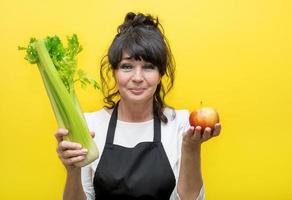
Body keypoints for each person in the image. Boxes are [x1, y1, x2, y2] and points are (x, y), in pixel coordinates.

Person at [55, 12, 221, 200]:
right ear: (114, 72)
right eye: (127, 66)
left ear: (160, 74)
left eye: (148, 67)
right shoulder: (89, 124)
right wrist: (72, 170)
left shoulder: (180, 123)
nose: (137, 78)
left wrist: (191, 148)